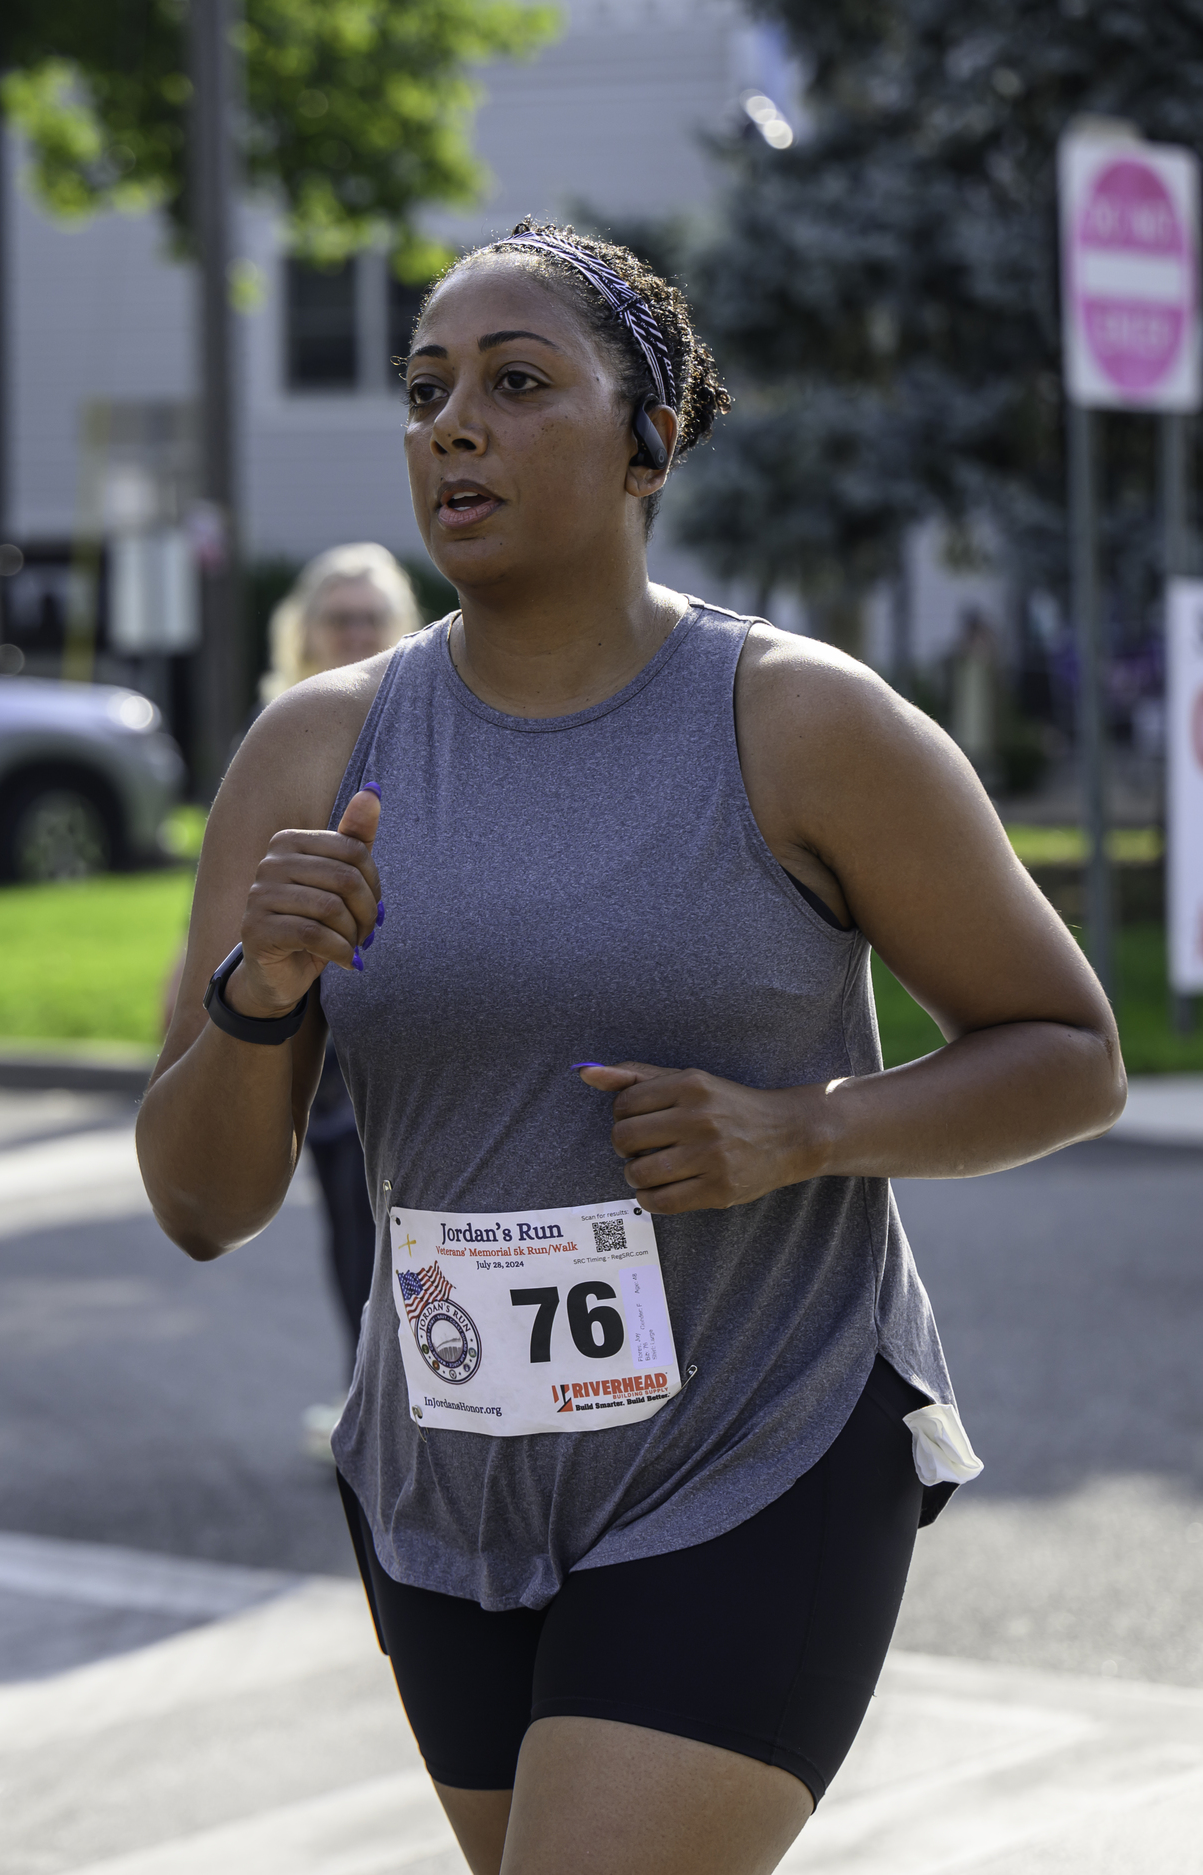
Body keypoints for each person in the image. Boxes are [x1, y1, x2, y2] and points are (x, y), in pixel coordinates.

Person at [137, 220, 1125, 1875]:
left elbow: (1071, 1050)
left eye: (519, 384)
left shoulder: (800, 721)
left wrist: (806, 1130)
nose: (455, 424)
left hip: (762, 1446)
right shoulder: (318, 748)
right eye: (427, 388)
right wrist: (263, 988)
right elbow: (196, 1201)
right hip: (445, 1475)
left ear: (649, 438)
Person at [161, 544, 421, 1431]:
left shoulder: (437, 725)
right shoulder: (280, 738)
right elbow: (221, 902)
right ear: (303, 635)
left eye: (369, 617)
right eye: (337, 617)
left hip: (408, 1006)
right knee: (351, 1217)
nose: (353, 631)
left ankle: (413, 1389)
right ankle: (374, 1391)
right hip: (302, 1018)